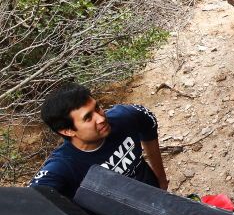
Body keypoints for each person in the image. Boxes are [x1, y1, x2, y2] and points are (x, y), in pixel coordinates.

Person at [29, 83, 168, 199]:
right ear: (67, 131)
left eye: (97, 108)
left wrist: (160, 179)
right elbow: (33, 199)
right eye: (88, 118)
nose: (101, 118)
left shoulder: (125, 118)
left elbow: (148, 120)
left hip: (157, 198)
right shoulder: (64, 166)